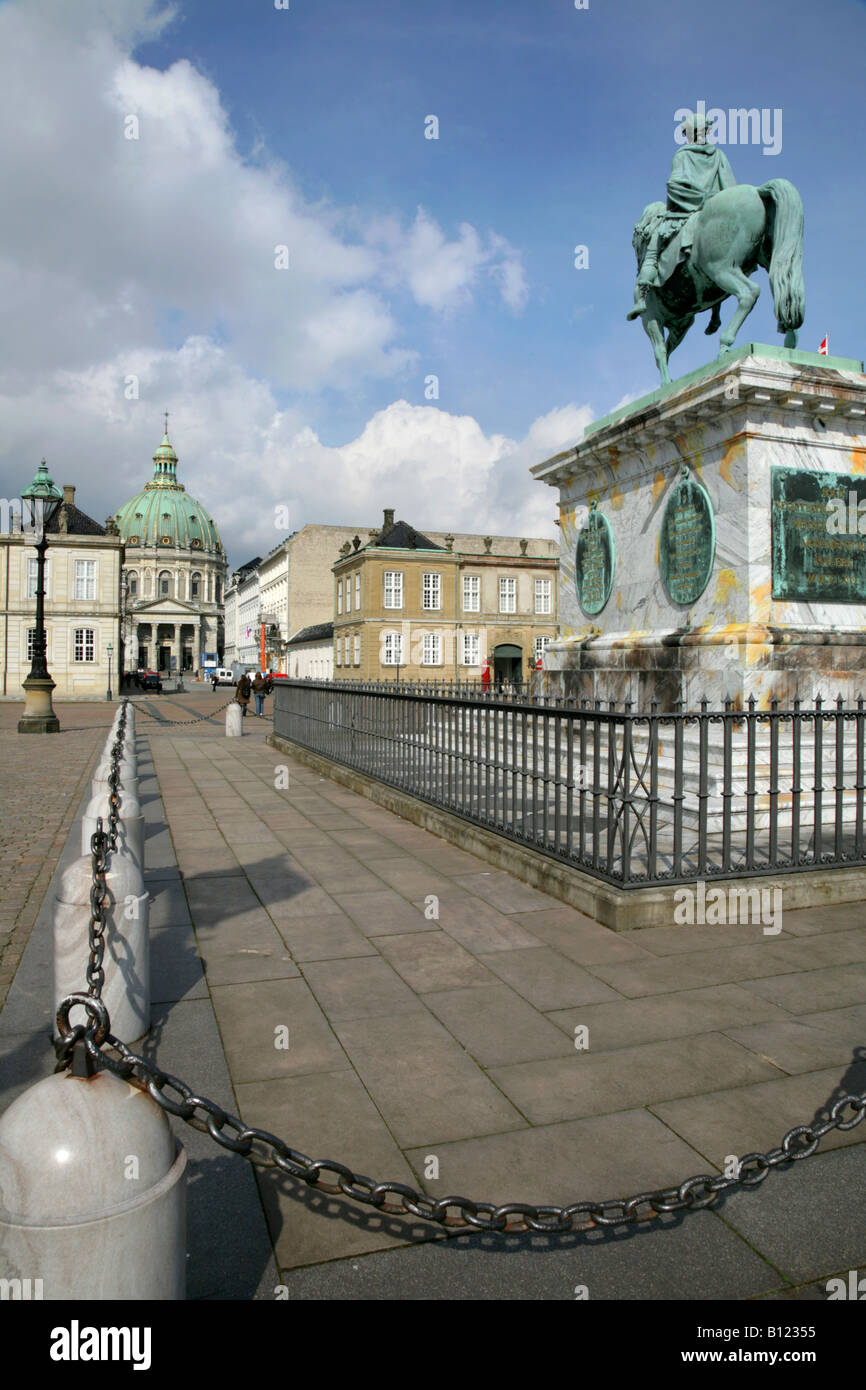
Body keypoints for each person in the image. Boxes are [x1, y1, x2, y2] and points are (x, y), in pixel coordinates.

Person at [628, 111, 736, 322]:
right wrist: (717, 202)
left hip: (688, 210)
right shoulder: (718, 155)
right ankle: (716, 312)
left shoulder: (683, 154)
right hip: (716, 209)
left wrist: (699, 199)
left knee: (653, 249)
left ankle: (641, 297)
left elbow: (674, 185)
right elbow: (730, 189)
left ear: (690, 133)